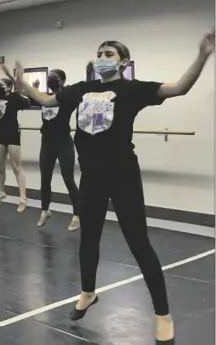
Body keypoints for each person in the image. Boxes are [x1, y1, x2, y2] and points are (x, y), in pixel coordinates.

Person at [11, 29, 214, 345]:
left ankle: (163, 314)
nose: (101, 59)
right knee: (88, 239)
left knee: (138, 243)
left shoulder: (133, 90)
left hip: (122, 175)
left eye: (109, 54)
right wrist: (22, 82)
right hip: (91, 175)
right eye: (100, 53)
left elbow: (180, 88)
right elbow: (46, 100)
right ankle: (88, 292)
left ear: (123, 62)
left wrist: (202, 56)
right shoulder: (82, 88)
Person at [35, 69, 80, 231]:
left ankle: (77, 215)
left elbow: (78, 94)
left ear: (62, 81)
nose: (50, 80)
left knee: (68, 179)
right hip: (47, 142)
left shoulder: (66, 97)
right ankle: (45, 210)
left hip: (63, 142)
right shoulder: (45, 97)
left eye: (54, 78)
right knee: (45, 178)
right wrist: (32, 88)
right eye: (49, 77)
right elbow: (28, 95)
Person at [0, 74, 30, 212]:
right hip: (0, 137)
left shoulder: (14, 98)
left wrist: (17, 90)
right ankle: (0, 192)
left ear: (8, 88)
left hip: (13, 136)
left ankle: (23, 197)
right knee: (0, 166)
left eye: (1, 85)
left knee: (16, 167)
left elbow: (27, 101)